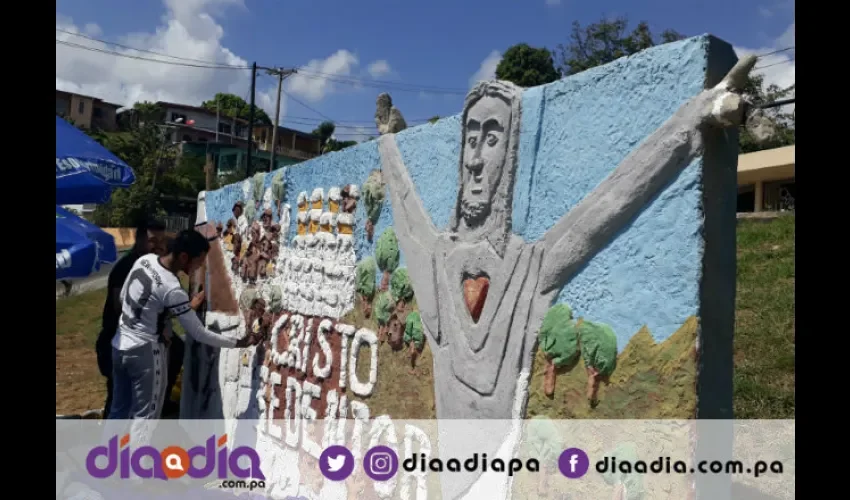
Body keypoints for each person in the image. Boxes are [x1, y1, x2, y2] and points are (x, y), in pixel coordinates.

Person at [108, 229, 259, 420]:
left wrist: (158, 320)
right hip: (144, 353)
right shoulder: (172, 288)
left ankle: (109, 450)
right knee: (145, 417)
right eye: (198, 262)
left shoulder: (144, 261)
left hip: (120, 344)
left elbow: (124, 299)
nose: (199, 268)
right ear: (184, 257)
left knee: (118, 410)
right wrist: (239, 342)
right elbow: (199, 333)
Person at [95, 219, 167, 418]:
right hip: (118, 344)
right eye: (153, 240)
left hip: (139, 345)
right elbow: (121, 309)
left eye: (162, 241)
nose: (159, 246)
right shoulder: (126, 267)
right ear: (140, 240)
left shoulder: (153, 267)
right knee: (120, 403)